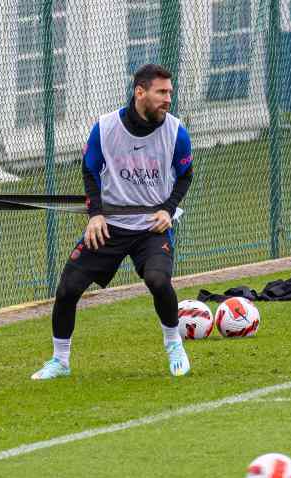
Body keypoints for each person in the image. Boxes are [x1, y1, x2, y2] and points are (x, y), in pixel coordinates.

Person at [31, 64, 194, 380]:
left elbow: (186, 175)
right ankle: (60, 361)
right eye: (161, 92)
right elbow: (90, 172)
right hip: (110, 225)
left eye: (170, 92)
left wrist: (168, 209)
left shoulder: (176, 132)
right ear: (140, 92)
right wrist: (95, 216)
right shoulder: (105, 128)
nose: (168, 99)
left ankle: (174, 346)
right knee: (67, 288)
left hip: (151, 227)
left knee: (159, 281)